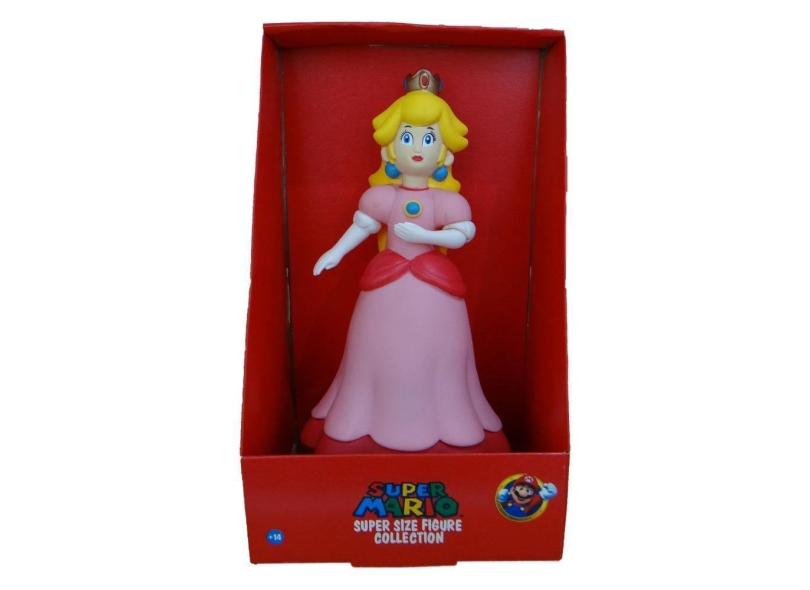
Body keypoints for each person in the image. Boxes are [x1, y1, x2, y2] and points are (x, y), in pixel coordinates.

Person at [301, 69, 507, 453]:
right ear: (390, 150)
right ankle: (363, 416)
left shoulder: (446, 202)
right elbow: (362, 226)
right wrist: (335, 252)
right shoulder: (383, 198)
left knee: (436, 356)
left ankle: (446, 418)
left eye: (428, 139)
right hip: (384, 288)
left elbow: (463, 233)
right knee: (376, 352)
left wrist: (426, 238)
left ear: (442, 153)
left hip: (435, 292)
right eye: (407, 137)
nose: (417, 148)